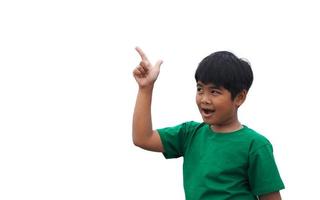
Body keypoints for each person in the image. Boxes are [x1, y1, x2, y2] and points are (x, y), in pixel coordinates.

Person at [132, 47, 285, 200]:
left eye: (214, 92)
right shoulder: (189, 134)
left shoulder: (256, 145)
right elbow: (143, 138)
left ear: (239, 97)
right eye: (200, 89)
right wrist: (145, 88)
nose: (204, 99)